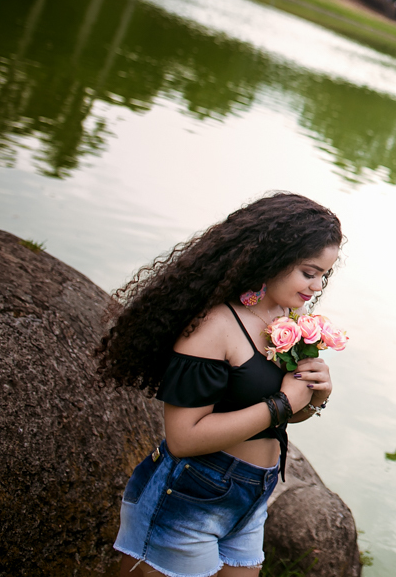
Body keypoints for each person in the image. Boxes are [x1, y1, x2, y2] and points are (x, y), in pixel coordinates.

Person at [97, 192, 343, 577]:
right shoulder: (215, 327)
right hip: (191, 493)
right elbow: (183, 438)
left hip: (253, 493)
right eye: (308, 272)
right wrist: (281, 402)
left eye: (323, 275)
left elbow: (277, 418)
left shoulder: (284, 318)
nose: (316, 286)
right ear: (272, 259)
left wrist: (315, 398)